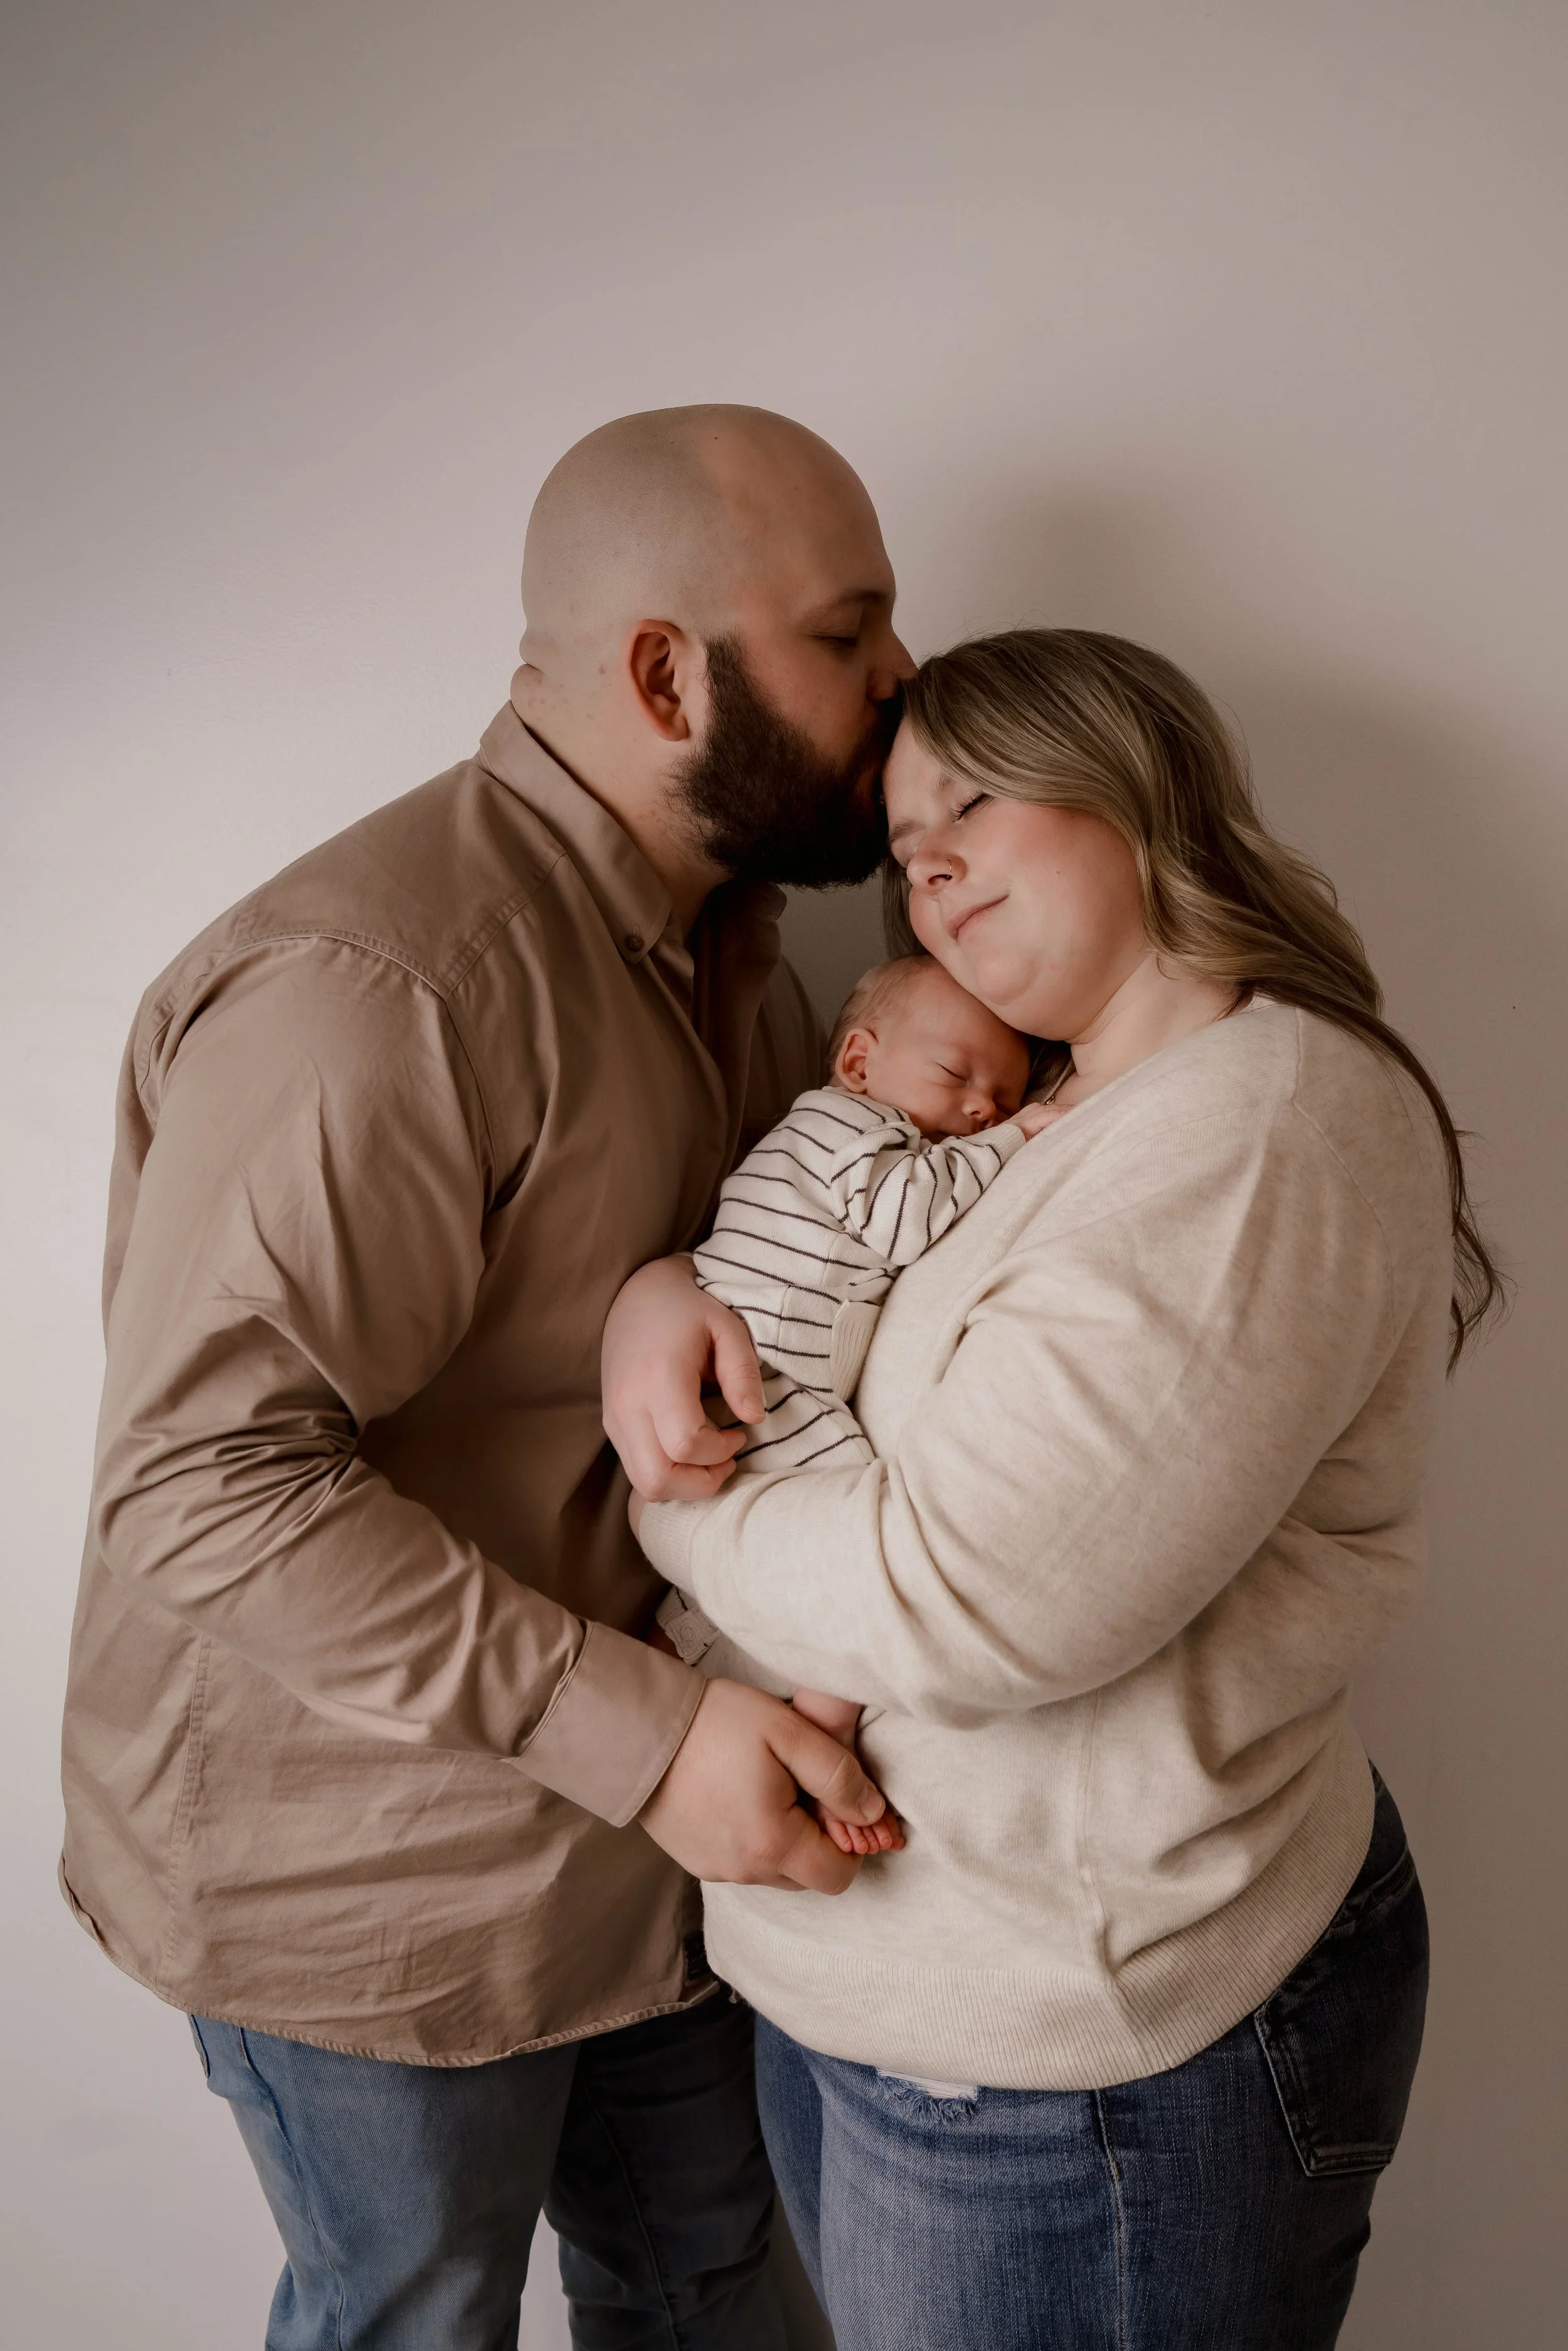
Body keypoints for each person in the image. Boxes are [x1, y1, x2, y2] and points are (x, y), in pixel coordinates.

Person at [58, 404, 914, 2351]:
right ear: (662, 672)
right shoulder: (386, 990)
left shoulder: (750, 959)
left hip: (652, 1846)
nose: (901, 682)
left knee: (716, 2294)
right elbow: (200, 1485)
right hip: (362, 1878)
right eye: (850, 632)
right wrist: (653, 1737)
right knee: (416, 2319)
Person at [605, 627, 1505, 2351]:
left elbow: (968, 1603)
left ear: (1137, 789)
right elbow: (814, 1295)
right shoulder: (1034, 1104)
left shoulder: (1252, 1132)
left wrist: (667, 1484)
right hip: (883, 1999)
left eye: (975, 800)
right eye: (902, 836)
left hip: (1076, 2065)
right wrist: (662, 1302)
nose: (924, 856)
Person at [655, 951, 1050, 1855]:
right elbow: (903, 1221)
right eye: (959, 1076)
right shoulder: (841, 1128)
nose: (984, 1105)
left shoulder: (864, 1132)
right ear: (860, 1062)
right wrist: (1018, 1140)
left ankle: (685, 1652)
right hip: (764, 1379)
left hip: (761, 1377)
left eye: (1005, 1092)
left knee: (752, 1569)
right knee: (857, 1554)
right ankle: (825, 1727)